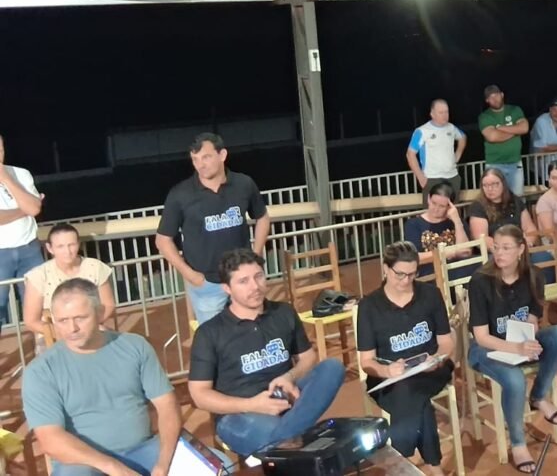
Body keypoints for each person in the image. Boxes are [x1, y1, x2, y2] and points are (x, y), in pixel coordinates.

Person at [188, 248, 344, 458]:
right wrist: (252, 404)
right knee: (277, 436)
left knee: (332, 368)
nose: (255, 286)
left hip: (287, 399)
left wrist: (289, 377)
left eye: (259, 276)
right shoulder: (210, 332)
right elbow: (199, 395)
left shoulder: (284, 312)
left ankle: (286, 436)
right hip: (239, 413)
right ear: (227, 288)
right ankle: (290, 437)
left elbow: (308, 358)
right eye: (243, 281)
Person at [24, 278, 182, 475]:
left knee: (208, 465)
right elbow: (50, 439)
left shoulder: (135, 346)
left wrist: (164, 463)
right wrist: (113, 467)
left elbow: (167, 405)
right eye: (63, 321)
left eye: (80, 318)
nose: (72, 328)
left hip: (144, 450)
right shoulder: (41, 371)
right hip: (83, 462)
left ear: (99, 313)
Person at [466, 225, 557, 473]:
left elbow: (533, 317)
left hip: (519, 343)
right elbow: (481, 337)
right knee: (514, 380)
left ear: (521, 249)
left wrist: (530, 337)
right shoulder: (481, 281)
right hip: (487, 348)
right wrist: (516, 348)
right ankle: (518, 442)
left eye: (506, 248)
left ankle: (538, 396)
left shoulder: (534, 276)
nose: (499, 253)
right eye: (496, 248)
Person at [357, 242, 455, 476]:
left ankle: (399, 463)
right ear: (385, 269)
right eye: (399, 274)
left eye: (411, 275)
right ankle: (434, 468)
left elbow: (446, 341)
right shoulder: (369, 306)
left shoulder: (430, 295)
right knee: (415, 398)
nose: (405, 280)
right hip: (389, 378)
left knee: (410, 391)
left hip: (431, 371)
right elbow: (367, 361)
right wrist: (387, 371)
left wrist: (437, 359)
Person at [155, 132, 271, 325]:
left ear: (222, 155)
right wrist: (191, 275)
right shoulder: (180, 194)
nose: (200, 164)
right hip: (207, 284)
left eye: (206, 157)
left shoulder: (244, 184)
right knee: (215, 338)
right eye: (195, 159)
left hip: (244, 278)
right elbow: (162, 240)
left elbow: (262, 217)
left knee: (254, 330)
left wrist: (256, 255)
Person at [23, 224, 115, 343]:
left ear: (78, 244)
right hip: (53, 334)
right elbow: (31, 321)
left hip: (92, 328)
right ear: (50, 248)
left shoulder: (95, 267)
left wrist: (89, 327)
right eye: (60, 246)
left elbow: (108, 305)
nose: (67, 251)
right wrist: (63, 333)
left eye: (71, 245)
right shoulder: (38, 275)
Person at [466, 168, 555, 282]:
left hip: (520, 250)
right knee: (503, 264)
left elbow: (530, 229)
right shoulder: (478, 207)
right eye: (485, 185)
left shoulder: (515, 201)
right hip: (496, 253)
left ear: (503, 184)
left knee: (544, 257)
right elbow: (482, 238)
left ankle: (542, 292)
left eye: (494, 184)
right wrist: (507, 250)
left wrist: (527, 243)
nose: (490, 189)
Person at [0, 133, 44, 326]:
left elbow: (34, 209)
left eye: (0, 150)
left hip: (30, 249)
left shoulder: (21, 173)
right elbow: (31, 208)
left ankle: (43, 342)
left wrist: (6, 179)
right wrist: (24, 210)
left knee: (38, 305)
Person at [407, 99, 467, 205]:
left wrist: (457, 155)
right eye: (441, 112)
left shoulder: (451, 127)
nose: (445, 115)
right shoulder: (422, 131)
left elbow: (462, 137)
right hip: (432, 178)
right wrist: (420, 177)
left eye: (446, 112)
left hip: (452, 177)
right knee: (433, 211)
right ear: (432, 114)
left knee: (453, 209)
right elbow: (410, 154)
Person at [404, 183, 471, 278]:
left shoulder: (456, 222)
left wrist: (457, 221)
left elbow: (466, 252)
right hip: (429, 273)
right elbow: (416, 257)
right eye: (434, 203)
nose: (436, 209)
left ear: (450, 206)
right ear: (428, 198)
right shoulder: (413, 224)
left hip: (456, 270)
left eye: (442, 206)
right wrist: (449, 253)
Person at [479, 85, 529, 196]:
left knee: (517, 197)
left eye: (496, 95)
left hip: (515, 163)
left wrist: (500, 128)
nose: (495, 99)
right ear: (487, 100)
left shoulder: (515, 110)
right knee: (496, 198)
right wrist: (515, 131)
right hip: (494, 164)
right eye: (491, 97)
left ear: (502, 95)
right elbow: (492, 137)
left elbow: (524, 128)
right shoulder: (485, 116)